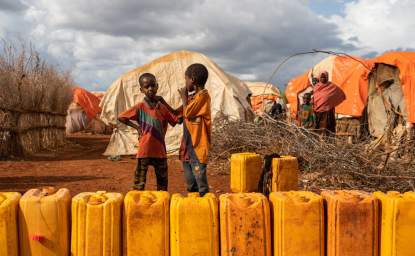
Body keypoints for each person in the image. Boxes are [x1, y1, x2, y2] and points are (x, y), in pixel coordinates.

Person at [117, 73, 181, 191]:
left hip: (160, 150)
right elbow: (121, 117)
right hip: (144, 149)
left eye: (153, 85)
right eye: (147, 86)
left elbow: (178, 120)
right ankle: (137, 204)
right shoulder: (140, 106)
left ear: (157, 86)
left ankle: (161, 204)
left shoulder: (163, 108)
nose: (150, 88)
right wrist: (136, 128)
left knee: (163, 182)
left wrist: (163, 100)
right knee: (139, 181)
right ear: (141, 90)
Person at [176, 63, 212, 197]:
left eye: (185, 79)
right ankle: (195, 210)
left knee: (201, 186)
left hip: (198, 148)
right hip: (187, 148)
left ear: (192, 79)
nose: (185, 83)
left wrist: (184, 97)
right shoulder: (191, 99)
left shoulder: (203, 96)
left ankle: (206, 211)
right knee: (191, 185)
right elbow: (179, 116)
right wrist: (161, 101)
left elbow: (187, 113)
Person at [313, 71, 346, 135]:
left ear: (327, 77)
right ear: (319, 78)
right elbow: (314, 99)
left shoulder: (331, 86)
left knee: (327, 129)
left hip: (328, 111)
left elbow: (340, 94)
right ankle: (319, 144)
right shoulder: (316, 87)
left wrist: (332, 102)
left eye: (324, 77)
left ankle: (328, 143)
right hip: (318, 112)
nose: (323, 79)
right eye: (321, 77)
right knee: (319, 129)